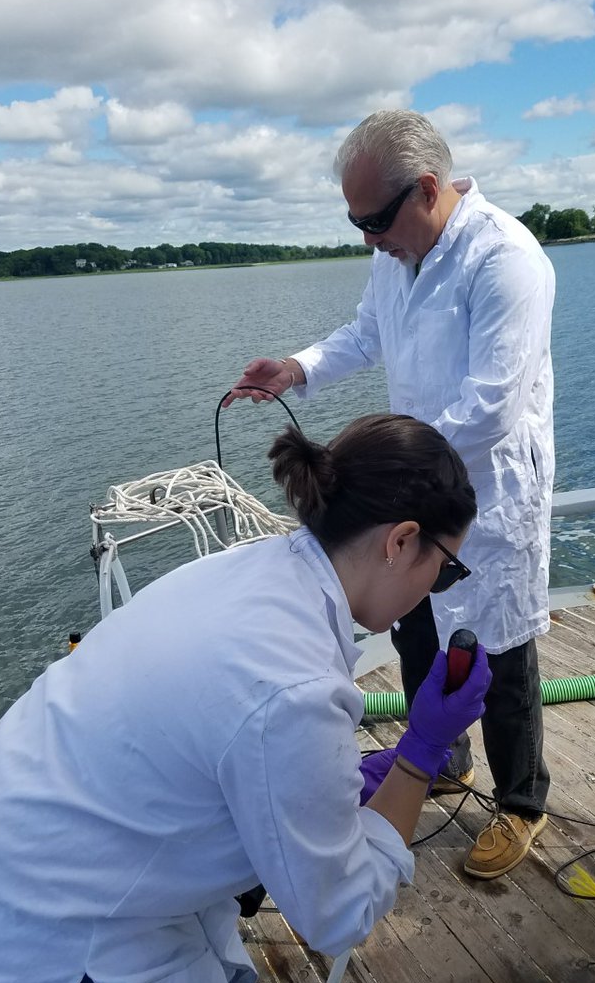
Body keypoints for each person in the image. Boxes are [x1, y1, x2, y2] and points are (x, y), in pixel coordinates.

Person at [0, 413, 490, 983]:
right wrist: (422, 752)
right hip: (62, 936)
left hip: (33, 853)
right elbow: (339, 913)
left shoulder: (245, 571)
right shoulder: (296, 686)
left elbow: (211, 743)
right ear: (402, 540)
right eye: (446, 571)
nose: (436, 591)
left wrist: (335, 789)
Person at [225, 109, 556, 880]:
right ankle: (441, 758)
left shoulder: (506, 261)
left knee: (496, 654)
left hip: (488, 494)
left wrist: (376, 468)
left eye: (374, 219)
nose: (367, 237)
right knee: (416, 635)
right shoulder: (397, 256)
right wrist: (297, 368)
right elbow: (366, 333)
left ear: (429, 190)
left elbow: (492, 405)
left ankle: (522, 801)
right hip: (417, 484)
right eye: (356, 222)